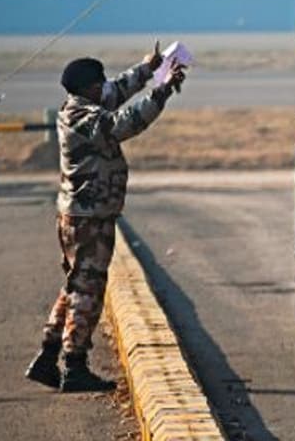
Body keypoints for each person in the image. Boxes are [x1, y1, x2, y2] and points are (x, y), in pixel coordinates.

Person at [24, 45, 186, 393]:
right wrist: (162, 90)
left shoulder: (83, 104)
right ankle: (75, 364)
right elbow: (123, 123)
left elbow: (117, 90)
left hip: (81, 213)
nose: (104, 89)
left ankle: (47, 356)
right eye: (98, 85)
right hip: (89, 217)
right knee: (88, 290)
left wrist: (148, 69)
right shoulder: (83, 116)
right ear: (86, 88)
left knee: (74, 287)